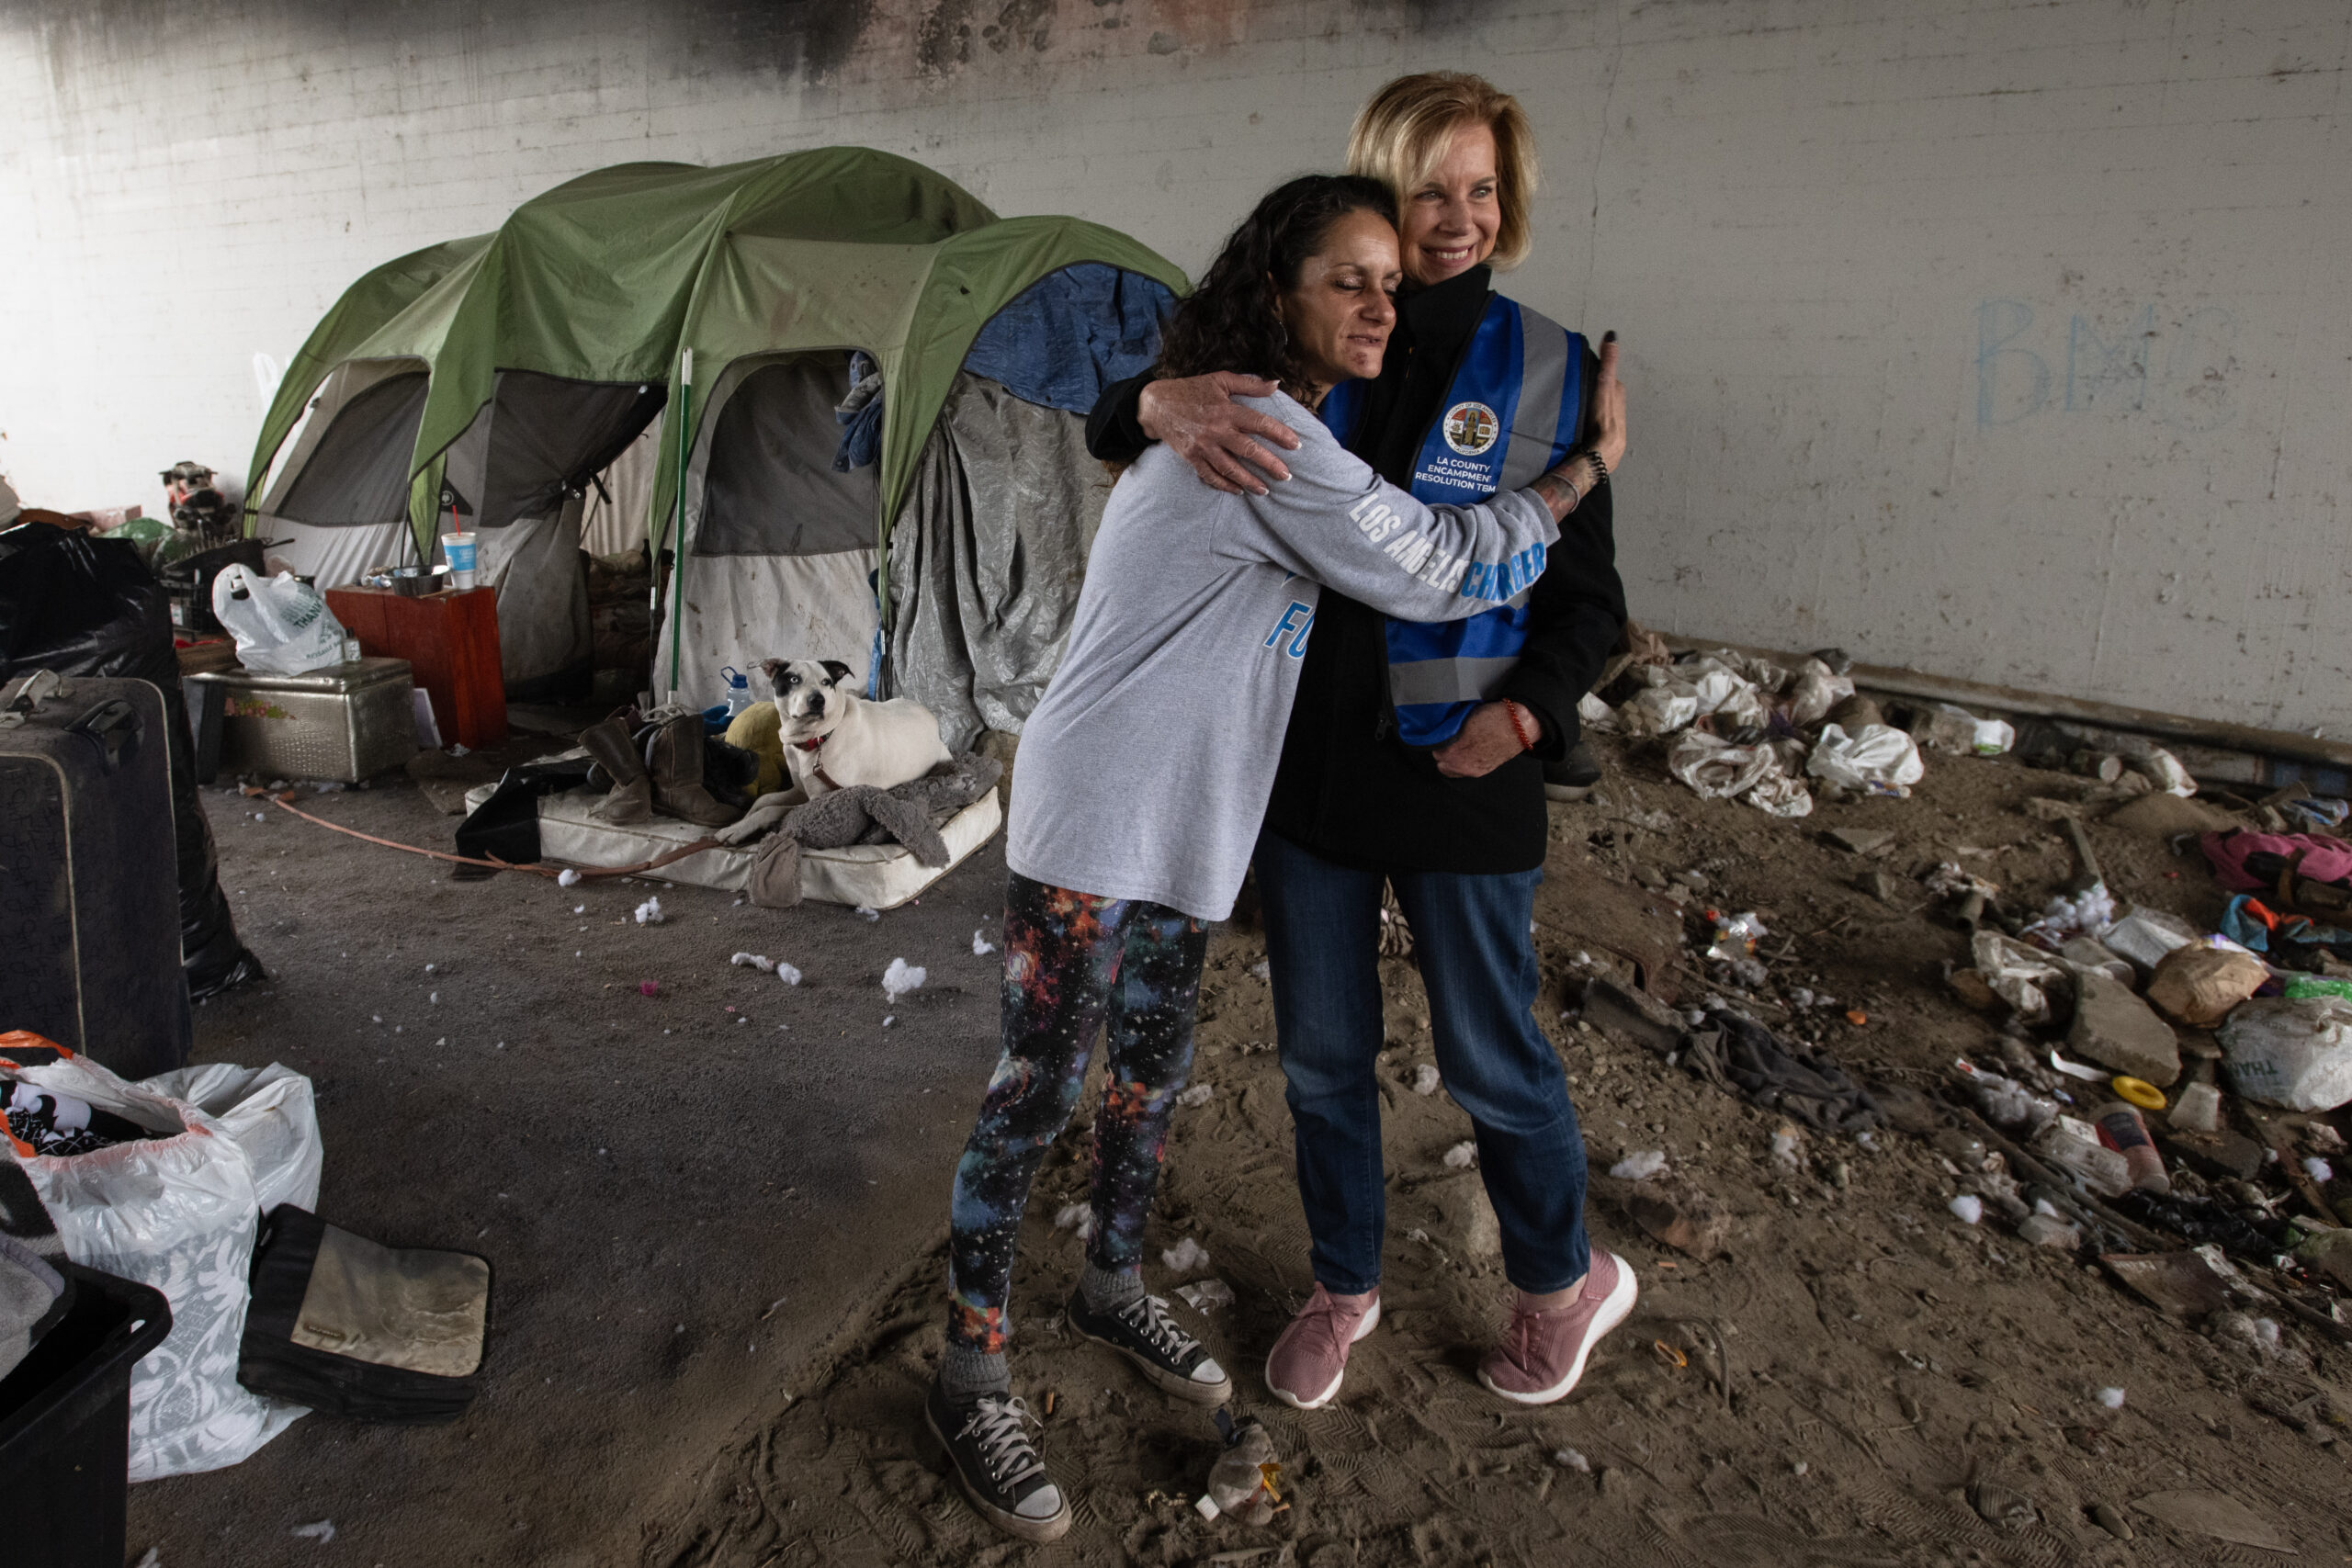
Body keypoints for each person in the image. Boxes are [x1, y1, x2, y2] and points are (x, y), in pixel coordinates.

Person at [931, 172, 1609, 1543]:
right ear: (1279, 294)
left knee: (1148, 1080)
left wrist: (1152, 397)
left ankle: (1114, 1281)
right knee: (1037, 1092)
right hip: (1097, 814)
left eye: (1388, 280)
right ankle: (968, 1372)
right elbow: (1433, 566)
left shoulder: (1269, 415)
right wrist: (1587, 468)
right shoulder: (1261, 429)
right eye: (1346, 279)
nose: (1380, 301)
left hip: (1188, 813)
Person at [1086, 71, 1634, 1412]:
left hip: (1468, 773)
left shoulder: (1556, 366)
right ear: (1380, 191)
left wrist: (1526, 718)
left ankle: (1562, 1283)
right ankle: (1347, 1286)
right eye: (1431, 188)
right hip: (1308, 774)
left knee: (1492, 1057)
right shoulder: (1299, 334)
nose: (1457, 220)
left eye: (1484, 189)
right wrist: (1152, 406)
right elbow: (1128, 413)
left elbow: (1590, 605)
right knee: (1323, 1060)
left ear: (1512, 205)